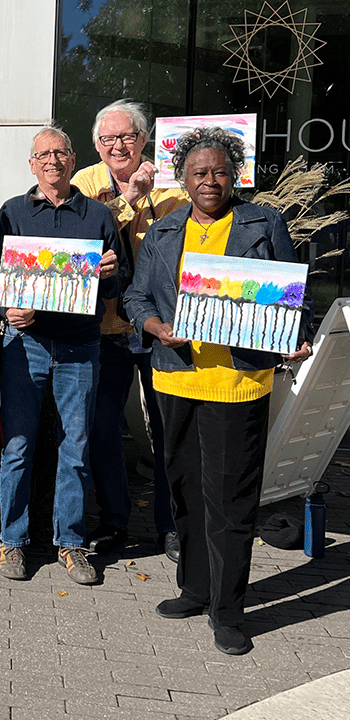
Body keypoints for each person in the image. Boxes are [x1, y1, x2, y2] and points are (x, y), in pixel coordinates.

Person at [123, 126, 312, 655]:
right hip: (176, 376)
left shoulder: (263, 222)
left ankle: (228, 611)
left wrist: (294, 337)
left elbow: (294, 298)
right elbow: (137, 297)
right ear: (181, 178)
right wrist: (157, 327)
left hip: (237, 379)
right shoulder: (162, 232)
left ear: (236, 176)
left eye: (221, 172)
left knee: (230, 498)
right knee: (183, 486)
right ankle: (196, 588)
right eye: (200, 172)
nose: (211, 181)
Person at [0, 125, 125, 585]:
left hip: (80, 346)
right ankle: (12, 542)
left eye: (61, 153)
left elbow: (114, 287)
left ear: (73, 161)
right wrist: (7, 310)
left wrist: (108, 273)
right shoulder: (12, 213)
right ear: (32, 164)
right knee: (18, 446)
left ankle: (69, 543)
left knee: (76, 448)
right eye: (43, 154)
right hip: (24, 346)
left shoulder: (98, 216)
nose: (52, 160)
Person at [73, 100, 189, 561]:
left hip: (160, 328)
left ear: (144, 139)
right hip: (103, 330)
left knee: (168, 430)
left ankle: (172, 525)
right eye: (108, 139)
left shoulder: (177, 187)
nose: (117, 146)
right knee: (102, 429)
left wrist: (149, 202)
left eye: (126, 137)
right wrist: (131, 202)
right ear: (97, 145)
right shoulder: (83, 182)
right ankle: (115, 521)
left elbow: (181, 250)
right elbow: (86, 241)